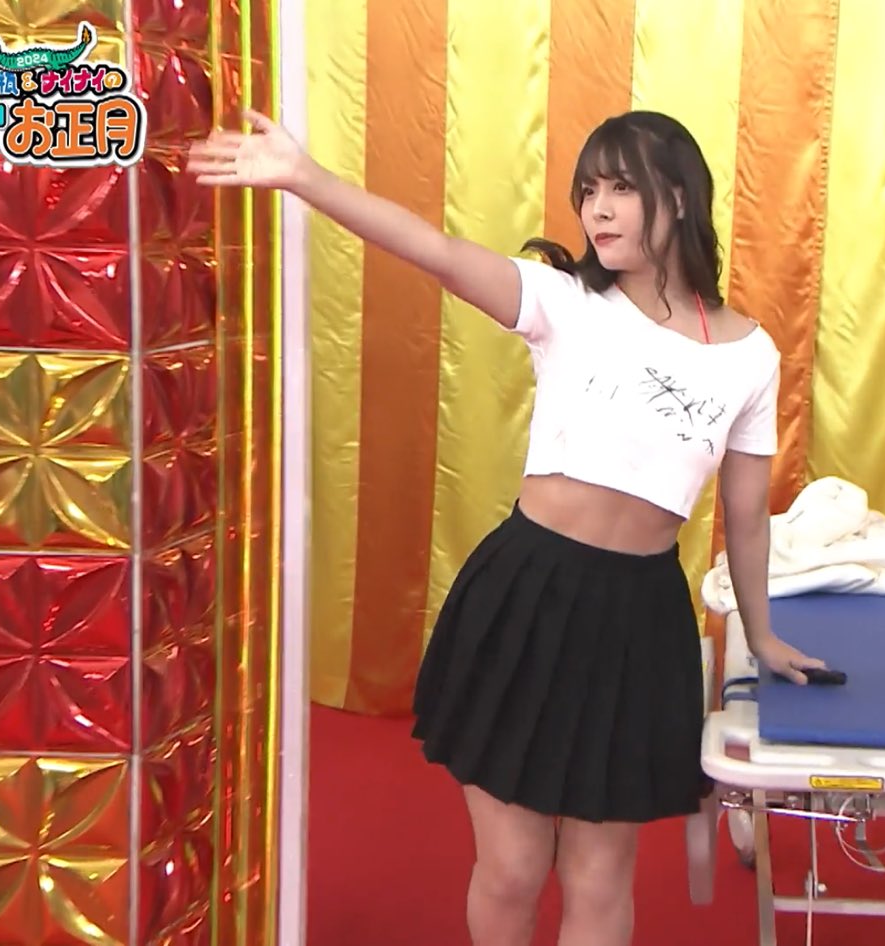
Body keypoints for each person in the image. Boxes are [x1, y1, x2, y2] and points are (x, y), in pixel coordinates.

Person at [189, 109, 828, 946]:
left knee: (599, 877)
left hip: (637, 620)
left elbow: (746, 517)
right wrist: (305, 177)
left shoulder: (749, 355)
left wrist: (761, 632)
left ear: (678, 196)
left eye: (622, 188)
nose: (598, 210)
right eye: (588, 191)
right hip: (528, 598)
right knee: (514, 868)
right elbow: (432, 248)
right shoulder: (564, 303)